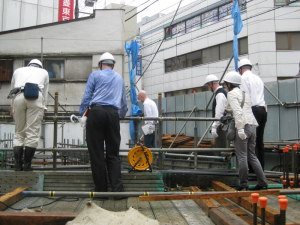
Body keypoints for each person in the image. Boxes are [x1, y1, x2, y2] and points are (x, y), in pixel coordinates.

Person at [79, 52, 128, 194]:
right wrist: (120, 115)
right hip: (113, 114)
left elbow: (87, 96)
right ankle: (118, 191)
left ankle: (101, 191)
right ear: (113, 65)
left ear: (101, 64)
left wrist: (82, 114)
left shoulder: (95, 75)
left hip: (96, 113)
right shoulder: (119, 78)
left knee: (97, 153)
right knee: (113, 153)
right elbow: (124, 102)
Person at [223, 71, 268, 191]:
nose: (225, 87)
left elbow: (237, 112)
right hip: (253, 125)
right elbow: (242, 108)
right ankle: (263, 181)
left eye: (225, 84)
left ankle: (243, 183)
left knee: (242, 156)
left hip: (243, 126)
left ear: (228, 84)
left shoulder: (231, 94)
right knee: (252, 155)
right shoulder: (244, 93)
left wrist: (240, 129)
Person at [9, 59, 49, 171]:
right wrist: (44, 108)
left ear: (29, 65)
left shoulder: (18, 70)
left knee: (19, 131)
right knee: (32, 132)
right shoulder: (44, 72)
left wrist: (12, 107)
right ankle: (27, 165)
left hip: (18, 97)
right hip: (35, 97)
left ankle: (17, 165)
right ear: (39, 66)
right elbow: (45, 93)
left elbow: (12, 89)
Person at [238, 58, 267, 172]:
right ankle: (261, 170)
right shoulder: (258, 78)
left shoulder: (243, 78)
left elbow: (245, 98)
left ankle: (253, 171)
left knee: (250, 143)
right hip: (263, 110)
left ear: (240, 69)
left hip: (253, 111)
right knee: (259, 141)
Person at [204, 74, 228, 150]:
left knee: (220, 149)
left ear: (211, 84)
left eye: (208, 86)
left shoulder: (220, 94)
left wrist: (214, 126)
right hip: (223, 125)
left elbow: (220, 112)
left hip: (221, 126)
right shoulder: (221, 92)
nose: (208, 88)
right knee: (223, 148)